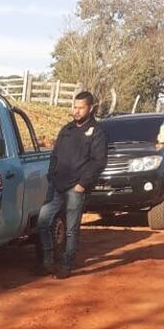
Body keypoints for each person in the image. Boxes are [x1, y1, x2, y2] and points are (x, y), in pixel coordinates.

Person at [36, 91, 108, 279]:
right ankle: (48, 260)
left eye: (80, 107)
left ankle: (66, 265)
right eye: (74, 107)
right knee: (43, 221)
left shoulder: (96, 132)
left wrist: (83, 184)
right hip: (57, 185)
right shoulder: (66, 130)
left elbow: (98, 161)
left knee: (71, 229)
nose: (75, 111)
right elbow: (55, 154)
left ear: (90, 108)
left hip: (76, 188)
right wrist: (51, 175)